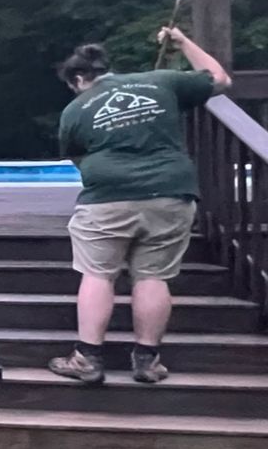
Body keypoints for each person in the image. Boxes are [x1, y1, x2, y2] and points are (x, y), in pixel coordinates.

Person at [47, 26, 232, 386]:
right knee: (152, 276)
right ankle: (146, 361)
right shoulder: (161, 80)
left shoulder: (75, 109)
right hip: (169, 193)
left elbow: (77, 157)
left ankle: (87, 358)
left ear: (80, 78)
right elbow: (219, 79)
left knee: (99, 274)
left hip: (107, 199)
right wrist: (182, 41)